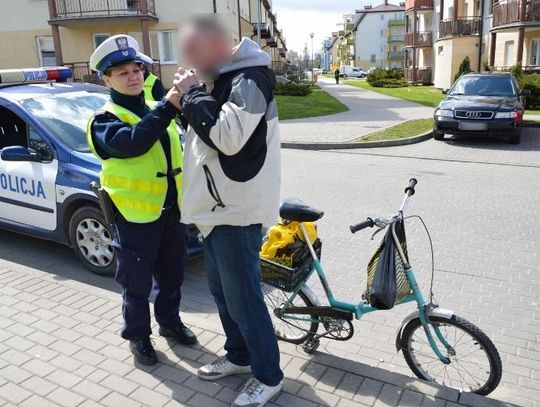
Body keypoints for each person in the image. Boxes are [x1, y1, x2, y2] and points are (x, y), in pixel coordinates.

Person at [174, 17, 283, 407]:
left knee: (245, 300)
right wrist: (190, 96)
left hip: (236, 212)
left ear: (220, 46)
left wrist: (190, 96)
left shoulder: (249, 79)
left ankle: (268, 377)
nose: (188, 61)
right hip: (215, 212)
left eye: (194, 51)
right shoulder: (219, 81)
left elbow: (228, 138)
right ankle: (239, 357)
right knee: (222, 293)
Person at [87, 34, 197, 366]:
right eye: (122, 73)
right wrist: (169, 105)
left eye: (136, 69)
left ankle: (169, 323)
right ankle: (138, 336)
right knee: (135, 285)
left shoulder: (153, 110)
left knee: (172, 275)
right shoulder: (104, 120)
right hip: (133, 218)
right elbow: (134, 143)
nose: (133, 76)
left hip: (171, 213)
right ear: (106, 79)